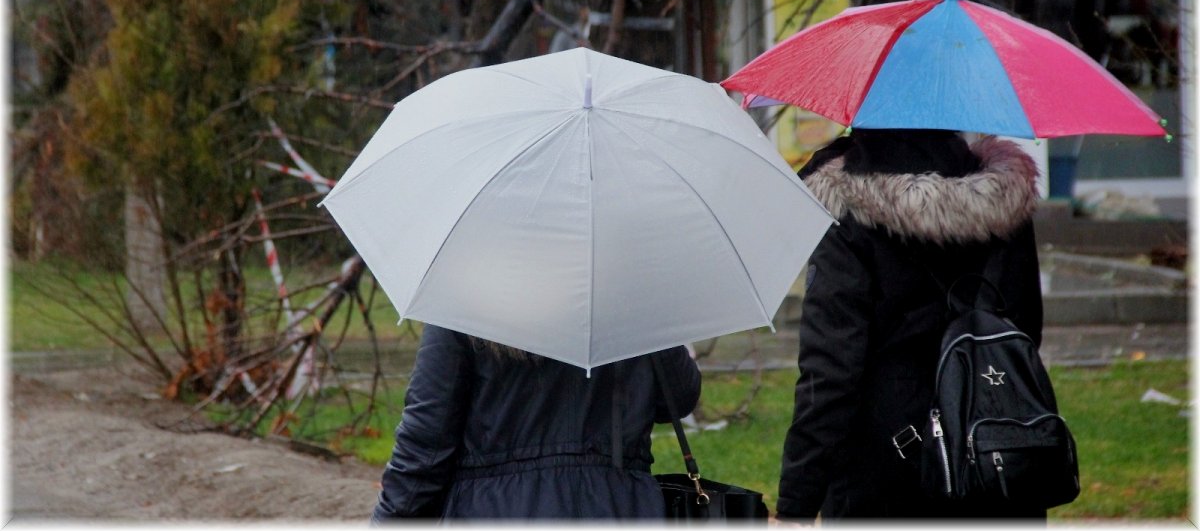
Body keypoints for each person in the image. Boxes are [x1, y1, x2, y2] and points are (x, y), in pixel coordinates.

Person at [776, 129, 1046, 521]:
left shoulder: (847, 208)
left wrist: (796, 503)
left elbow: (830, 371)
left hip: (885, 470)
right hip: (995, 452)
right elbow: (1023, 333)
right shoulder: (1005, 197)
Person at [370, 324, 701, 521]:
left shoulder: (464, 299)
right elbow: (678, 398)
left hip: (496, 510)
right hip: (620, 508)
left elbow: (426, 443)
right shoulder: (630, 289)